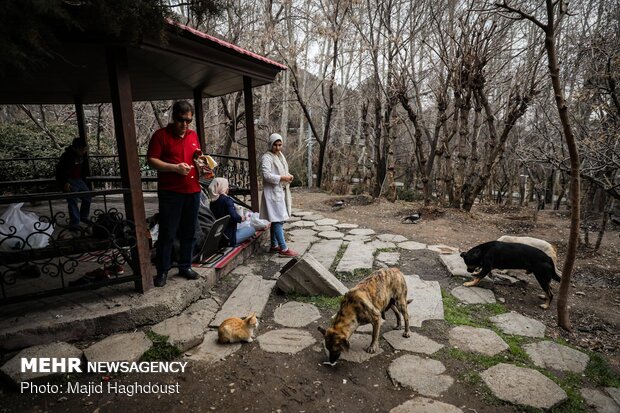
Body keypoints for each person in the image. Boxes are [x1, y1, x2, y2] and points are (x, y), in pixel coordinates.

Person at [147, 100, 202, 287]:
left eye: (188, 121)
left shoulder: (193, 135)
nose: (185, 125)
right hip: (171, 193)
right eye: (181, 120)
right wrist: (174, 168)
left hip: (193, 191)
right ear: (173, 117)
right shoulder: (161, 136)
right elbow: (152, 161)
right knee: (167, 233)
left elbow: (196, 156)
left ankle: (185, 266)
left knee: (189, 232)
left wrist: (203, 163)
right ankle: (162, 270)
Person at [259, 133, 299, 257]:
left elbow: (282, 170)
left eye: (279, 145)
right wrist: (282, 177)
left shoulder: (280, 155)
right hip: (272, 192)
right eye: (275, 145)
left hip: (280, 190)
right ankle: (283, 248)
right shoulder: (267, 157)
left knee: (276, 219)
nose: (277, 147)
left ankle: (274, 245)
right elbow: (266, 175)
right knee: (277, 220)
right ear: (270, 144)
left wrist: (288, 176)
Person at [55, 137, 92, 230]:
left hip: (79, 180)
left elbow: (83, 169)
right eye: (81, 150)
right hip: (69, 180)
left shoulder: (82, 155)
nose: (83, 152)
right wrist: (64, 183)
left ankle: (83, 216)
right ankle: (75, 222)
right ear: (74, 148)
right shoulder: (66, 156)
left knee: (87, 196)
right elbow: (60, 171)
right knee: (72, 200)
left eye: (84, 149)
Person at [209, 177, 256, 247]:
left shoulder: (212, 202)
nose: (228, 188)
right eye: (226, 186)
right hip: (229, 237)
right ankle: (235, 243)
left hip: (218, 236)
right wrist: (241, 218)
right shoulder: (227, 200)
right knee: (252, 229)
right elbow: (233, 216)